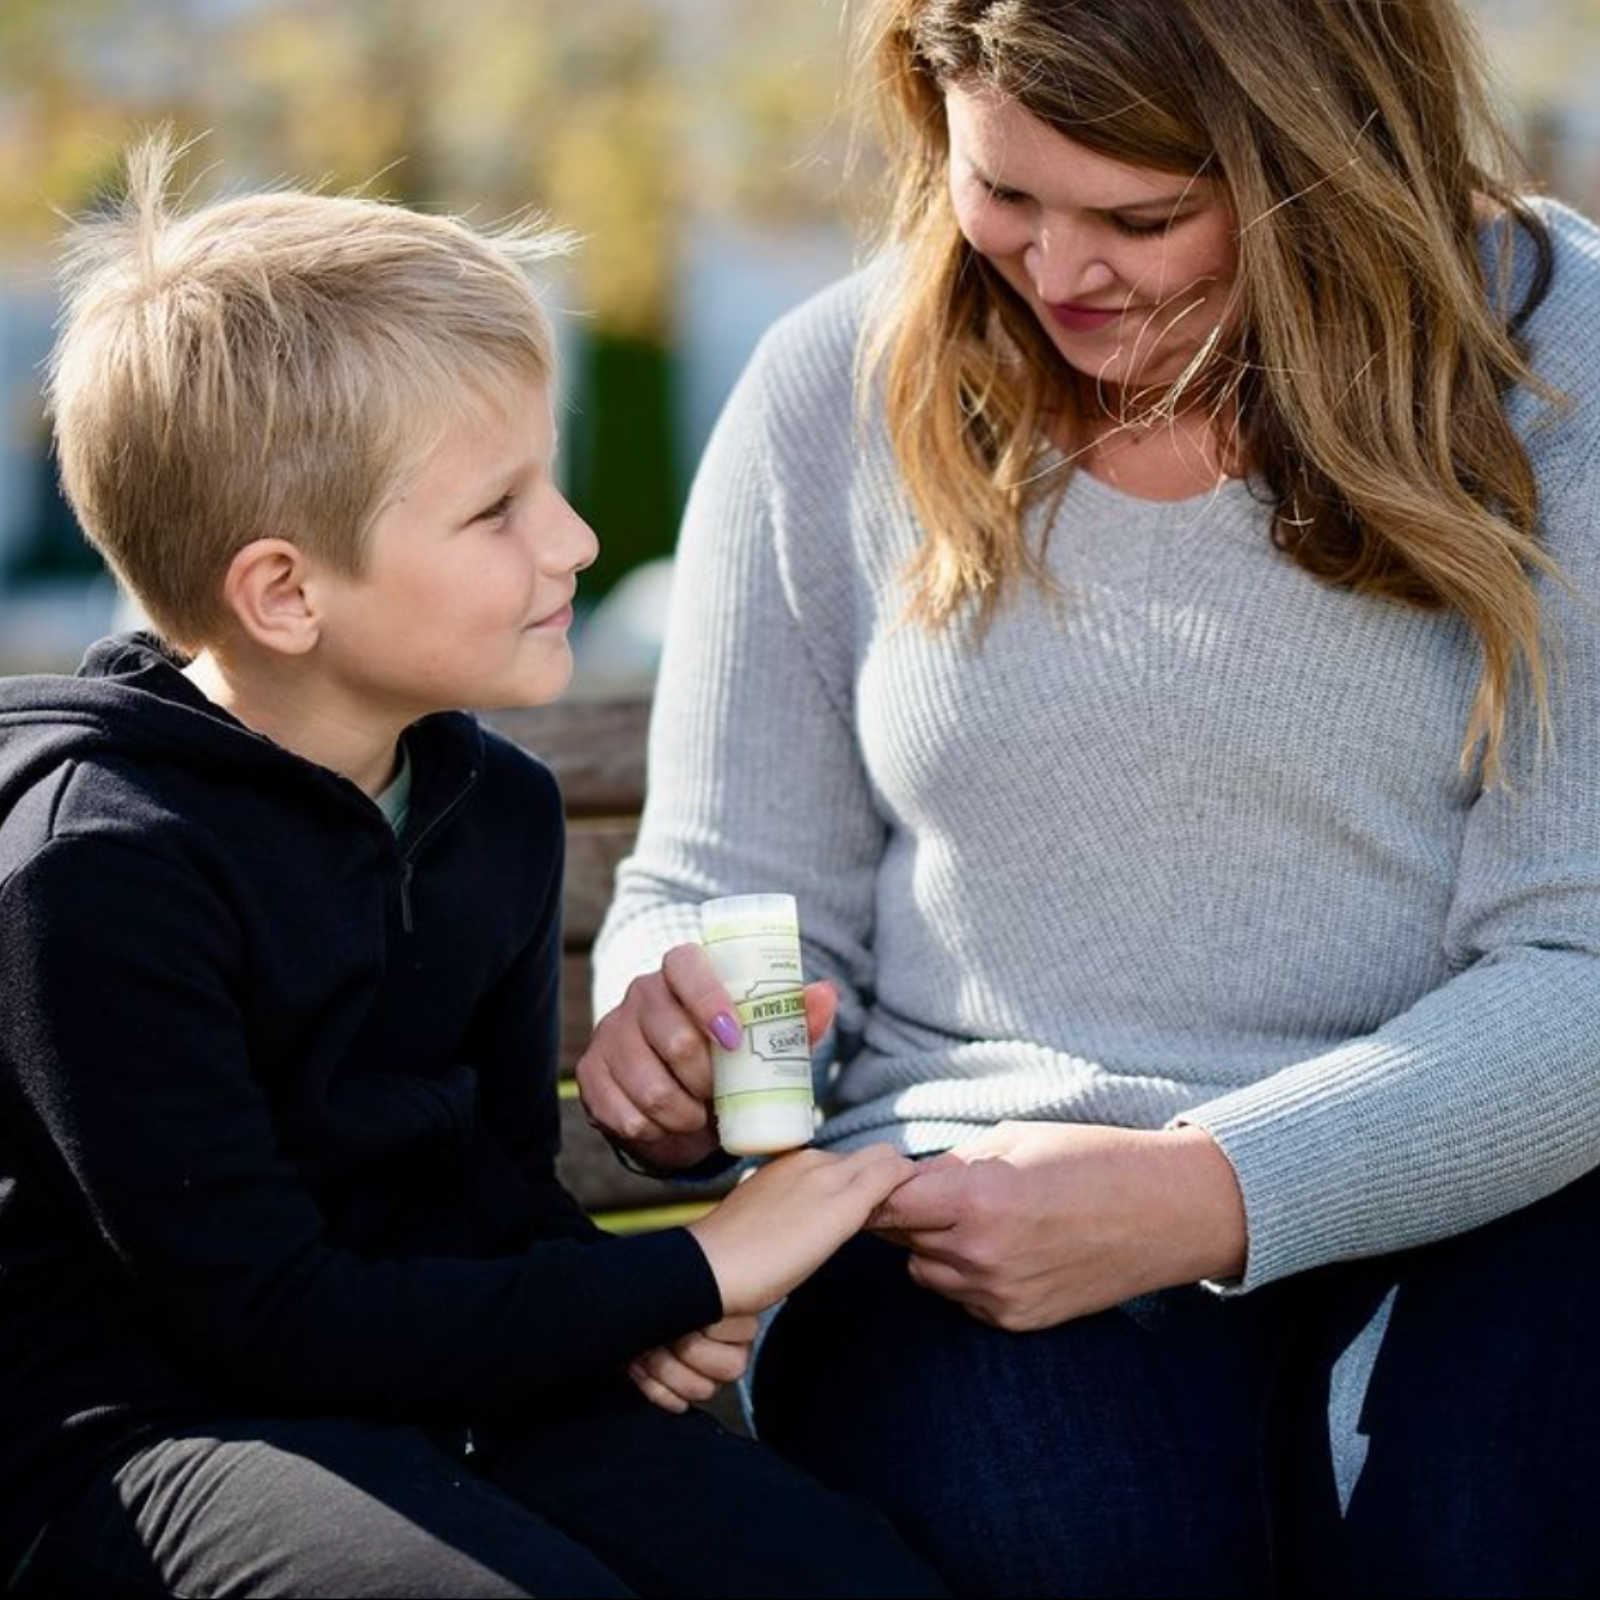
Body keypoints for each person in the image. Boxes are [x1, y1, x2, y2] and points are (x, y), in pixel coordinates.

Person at [581, 1, 1600, 1595]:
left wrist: (1213, 1192)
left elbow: (1581, 959)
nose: (1058, 272)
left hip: (1494, 1204)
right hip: (969, 1226)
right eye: (1003, 192)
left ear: (1329, 155)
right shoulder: (831, 388)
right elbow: (725, 876)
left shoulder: (1560, 362)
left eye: (1142, 216)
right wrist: (677, 1022)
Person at [0, 136, 949, 1600]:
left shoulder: (491, 809)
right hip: (155, 1440)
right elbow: (263, 1319)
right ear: (285, 592)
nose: (573, 537)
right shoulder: (96, 871)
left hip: (442, 1393)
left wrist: (633, 1317)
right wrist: (690, 1269)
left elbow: (491, 1200)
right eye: (497, 509)